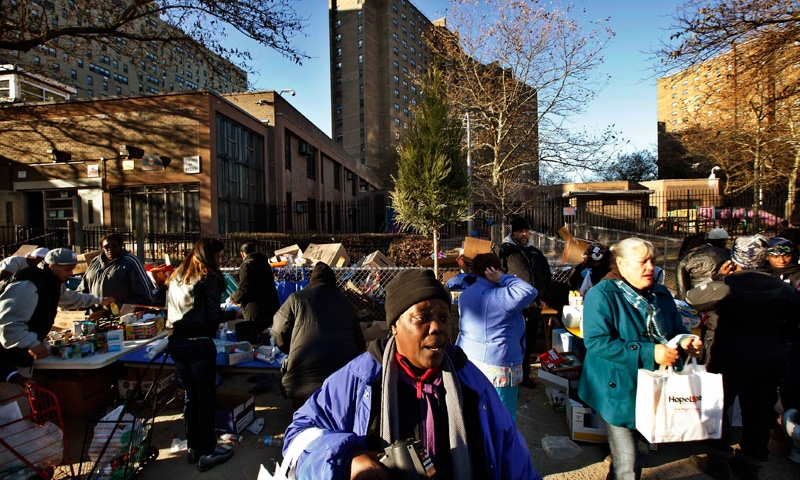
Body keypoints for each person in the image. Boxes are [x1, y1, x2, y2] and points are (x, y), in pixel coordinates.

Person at [283, 269, 540, 480]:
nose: (438, 327)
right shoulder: (358, 380)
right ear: (394, 326)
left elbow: (513, 458)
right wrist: (347, 460)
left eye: (443, 316)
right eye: (423, 317)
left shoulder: (472, 384)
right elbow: (298, 438)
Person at [579, 237, 703, 480]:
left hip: (656, 385)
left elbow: (676, 328)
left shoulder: (661, 293)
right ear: (622, 264)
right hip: (619, 388)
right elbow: (596, 342)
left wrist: (686, 341)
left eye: (652, 261)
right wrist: (650, 352)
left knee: (639, 453)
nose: (651, 268)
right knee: (628, 463)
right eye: (642, 262)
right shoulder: (602, 294)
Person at [686, 235, 799, 480]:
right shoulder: (783, 289)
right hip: (770, 356)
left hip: (729, 355)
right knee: (758, 410)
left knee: (719, 407)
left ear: (735, 258)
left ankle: (718, 459)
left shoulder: (725, 286)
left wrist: (718, 278)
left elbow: (692, 299)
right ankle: (751, 463)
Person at [166, 238, 236, 472]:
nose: (220, 261)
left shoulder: (178, 275)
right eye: (218, 256)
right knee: (204, 397)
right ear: (208, 256)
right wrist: (232, 314)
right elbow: (214, 316)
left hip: (177, 342)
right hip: (198, 343)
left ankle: (194, 446)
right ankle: (207, 451)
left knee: (191, 396)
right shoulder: (207, 277)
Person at [0, 248, 115, 374]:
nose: (71, 273)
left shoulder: (52, 282)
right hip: (8, 360)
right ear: (53, 266)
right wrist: (32, 343)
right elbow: (8, 322)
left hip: (22, 355)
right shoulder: (28, 284)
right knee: (18, 393)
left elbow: (70, 298)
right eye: (68, 269)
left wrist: (99, 300)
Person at [272, 261, 365, 412]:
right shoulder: (345, 302)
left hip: (302, 378)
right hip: (342, 378)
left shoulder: (296, 298)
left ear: (312, 281)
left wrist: (292, 349)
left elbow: (278, 331)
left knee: (303, 419)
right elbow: (360, 343)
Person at [456, 253, 536, 421]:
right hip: (499, 365)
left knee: (477, 414)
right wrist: (503, 278)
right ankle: (503, 447)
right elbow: (528, 291)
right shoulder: (499, 297)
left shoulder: (467, 293)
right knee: (503, 417)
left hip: (470, 360)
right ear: (494, 270)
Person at [493, 217, 552, 388]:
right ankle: (509, 377)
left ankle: (524, 376)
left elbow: (547, 279)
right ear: (513, 232)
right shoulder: (504, 251)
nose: (524, 234)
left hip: (534, 308)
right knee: (512, 342)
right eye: (520, 231)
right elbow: (496, 277)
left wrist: (545, 299)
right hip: (514, 309)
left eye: (526, 231)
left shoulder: (536, 253)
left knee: (529, 342)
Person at [79, 233, 154, 307]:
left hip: (122, 314)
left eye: (114, 246)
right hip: (96, 314)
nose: (110, 249)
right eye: (107, 247)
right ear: (102, 247)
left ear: (121, 246)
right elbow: (83, 287)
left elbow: (144, 291)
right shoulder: (95, 262)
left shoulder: (130, 262)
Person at [230, 242, 279, 344]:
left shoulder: (246, 265)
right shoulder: (264, 263)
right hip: (270, 305)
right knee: (267, 338)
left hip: (254, 308)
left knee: (254, 340)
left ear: (242, 254)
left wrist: (233, 297)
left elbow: (244, 288)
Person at [675, 229, 729, 300]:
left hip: (695, 299)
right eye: (724, 243)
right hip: (719, 297)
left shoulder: (684, 260)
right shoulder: (724, 254)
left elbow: (681, 287)